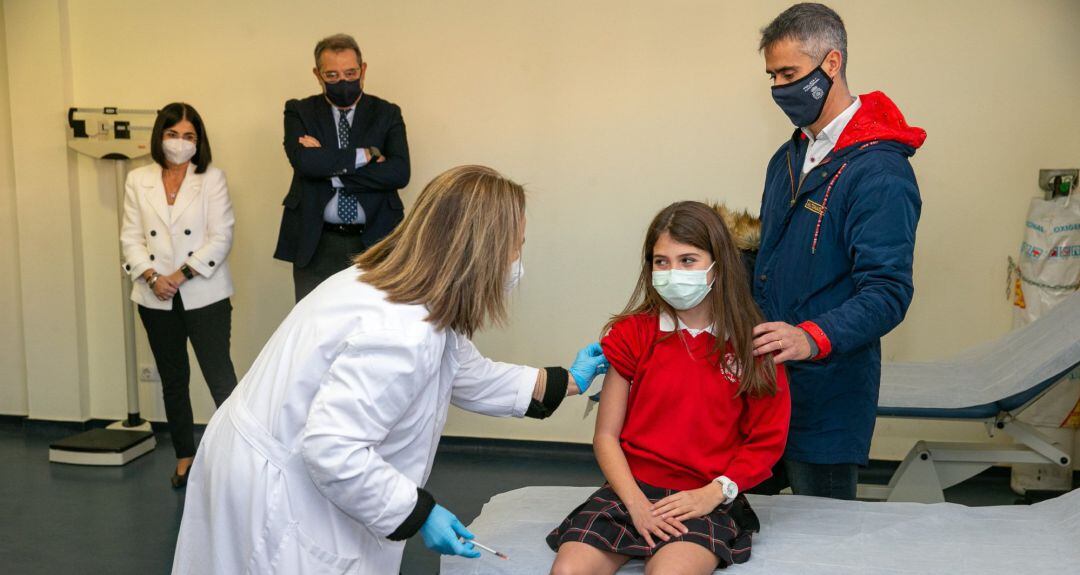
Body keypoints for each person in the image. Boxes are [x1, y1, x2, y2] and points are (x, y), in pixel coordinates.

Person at [172, 165, 609, 575]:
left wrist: (569, 380)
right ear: (481, 250)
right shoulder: (401, 328)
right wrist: (418, 512)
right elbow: (333, 450)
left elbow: (462, 372)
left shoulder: (393, 286)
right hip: (277, 490)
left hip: (258, 456)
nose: (517, 260)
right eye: (517, 246)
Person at [547, 202, 790, 575]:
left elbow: (766, 441)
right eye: (661, 262)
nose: (672, 272)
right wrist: (636, 505)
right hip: (630, 491)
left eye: (688, 260)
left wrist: (715, 493)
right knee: (567, 571)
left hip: (702, 498)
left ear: (718, 265)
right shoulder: (632, 334)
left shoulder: (754, 346)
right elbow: (606, 437)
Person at [749, 3, 924, 500]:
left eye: (790, 74)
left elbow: (889, 292)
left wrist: (811, 337)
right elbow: (775, 260)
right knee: (745, 525)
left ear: (831, 63)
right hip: (767, 386)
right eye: (772, 76)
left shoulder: (879, 172)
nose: (780, 89)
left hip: (829, 392)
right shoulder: (787, 158)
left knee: (822, 538)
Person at [120, 102, 238, 488]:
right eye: (173, 135)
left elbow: (221, 237)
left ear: (198, 141)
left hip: (204, 292)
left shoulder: (212, 179)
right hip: (155, 296)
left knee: (220, 378)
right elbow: (130, 237)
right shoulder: (139, 179)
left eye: (189, 136)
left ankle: (237, 459)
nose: (180, 143)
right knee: (173, 379)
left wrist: (180, 274)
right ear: (159, 136)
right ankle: (185, 456)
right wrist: (152, 275)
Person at [275, 33, 410, 302]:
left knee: (375, 327)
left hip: (376, 239)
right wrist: (367, 155)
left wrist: (330, 169)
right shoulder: (299, 111)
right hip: (317, 241)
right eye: (332, 75)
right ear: (317, 74)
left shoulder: (387, 112)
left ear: (363, 69)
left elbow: (399, 172)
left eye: (350, 73)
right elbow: (305, 162)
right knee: (315, 330)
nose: (343, 82)